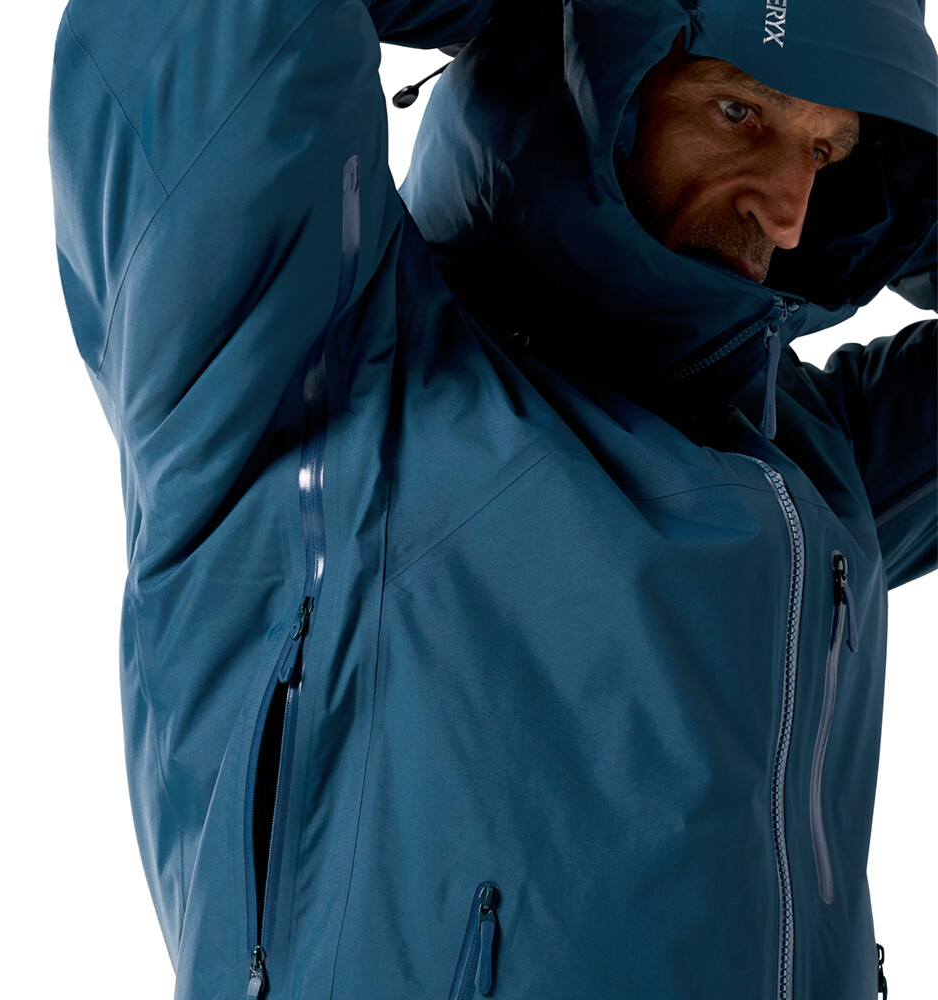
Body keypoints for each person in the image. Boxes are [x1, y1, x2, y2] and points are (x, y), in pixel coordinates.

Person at [48, 0, 935, 996]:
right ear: (593, 74)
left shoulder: (803, 455)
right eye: (740, 112)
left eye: (825, 152)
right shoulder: (322, 360)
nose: (789, 214)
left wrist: (901, 141)